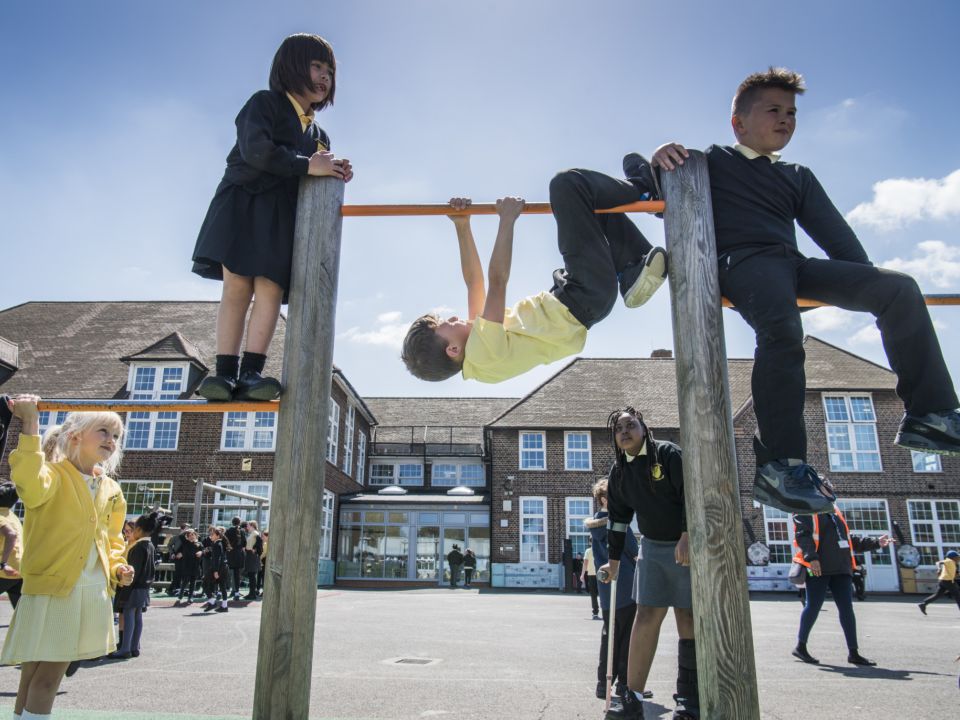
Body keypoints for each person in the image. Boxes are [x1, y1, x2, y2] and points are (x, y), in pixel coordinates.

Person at [651, 67, 960, 516]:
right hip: (742, 263)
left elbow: (843, 246)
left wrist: (863, 285)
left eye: (792, 112)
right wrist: (657, 154)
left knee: (898, 288)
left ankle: (930, 414)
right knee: (782, 330)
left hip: (791, 266)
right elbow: (639, 175)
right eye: (773, 110)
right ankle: (781, 465)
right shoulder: (708, 160)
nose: (786, 120)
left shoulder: (797, 175)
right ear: (738, 122)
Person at [192, 33, 353, 402]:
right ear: (291, 67)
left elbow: (314, 174)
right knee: (236, 286)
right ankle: (223, 374)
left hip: (282, 218)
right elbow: (256, 151)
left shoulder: (319, 134)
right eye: (316, 66)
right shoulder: (263, 104)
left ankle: (251, 373)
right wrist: (307, 165)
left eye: (329, 71)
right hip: (245, 205)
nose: (324, 76)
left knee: (270, 289)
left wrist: (334, 171)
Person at [401, 175, 667, 385]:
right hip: (581, 298)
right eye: (444, 326)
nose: (449, 318)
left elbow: (475, 283)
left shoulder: (477, 354)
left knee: (589, 204)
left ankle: (634, 266)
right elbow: (497, 282)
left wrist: (462, 225)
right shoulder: (484, 354)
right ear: (453, 350)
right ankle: (645, 188)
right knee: (566, 185)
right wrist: (507, 220)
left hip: (581, 300)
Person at [1, 395, 134, 719]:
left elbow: (112, 537)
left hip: (89, 591)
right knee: (43, 679)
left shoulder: (110, 489)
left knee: (35, 677)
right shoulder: (53, 475)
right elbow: (29, 483)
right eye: (103, 431)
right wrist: (30, 424)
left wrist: (118, 566)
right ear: (76, 435)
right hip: (55, 590)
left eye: (115, 436)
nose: (111, 440)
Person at [598, 406, 698, 720]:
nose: (624, 432)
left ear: (644, 429)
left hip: (684, 546)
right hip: (652, 548)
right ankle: (631, 696)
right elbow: (617, 521)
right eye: (618, 429)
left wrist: (687, 535)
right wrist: (613, 562)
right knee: (646, 616)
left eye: (631, 425)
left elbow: (690, 496)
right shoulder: (619, 472)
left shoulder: (668, 455)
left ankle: (690, 698)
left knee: (687, 618)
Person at [791, 480, 893, 666]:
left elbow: (847, 538)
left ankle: (853, 652)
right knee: (813, 606)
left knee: (847, 609)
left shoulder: (834, 512)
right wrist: (812, 557)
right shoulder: (805, 509)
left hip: (841, 568)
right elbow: (803, 536)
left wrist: (875, 542)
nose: (831, 489)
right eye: (827, 486)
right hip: (818, 567)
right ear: (816, 488)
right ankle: (801, 646)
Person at [585, 478, 638, 707]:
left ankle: (602, 683)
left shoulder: (595, 526)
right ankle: (625, 683)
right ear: (605, 499)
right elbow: (633, 551)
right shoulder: (617, 523)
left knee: (610, 634)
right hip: (625, 583)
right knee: (627, 636)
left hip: (607, 588)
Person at [110, 512, 158, 659]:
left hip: (134, 587)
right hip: (144, 587)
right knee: (138, 617)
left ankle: (125, 648)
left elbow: (133, 571)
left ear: (138, 530)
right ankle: (135, 646)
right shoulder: (150, 545)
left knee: (129, 615)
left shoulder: (137, 547)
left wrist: (124, 584)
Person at [0, 480, 23, 608]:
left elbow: (11, 535)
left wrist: (3, 563)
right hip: (19, 570)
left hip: (4, 571)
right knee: (21, 612)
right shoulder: (12, 517)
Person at [918, 550, 960, 615]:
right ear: (953, 557)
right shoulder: (949, 561)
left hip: (943, 581)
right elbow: (938, 563)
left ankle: (923, 604)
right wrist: (939, 569)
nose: (958, 559)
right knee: (958, 596)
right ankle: (923, 604)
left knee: (937, 595)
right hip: (948, 581)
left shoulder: (953, 563)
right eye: (957, 557)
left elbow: (954, 574)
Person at [201, 526, 230, 612]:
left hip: (218, 568)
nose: (211, 536)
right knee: (222, 586)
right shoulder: (220, 543)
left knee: (204, 583)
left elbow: (217, 559)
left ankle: (212, 602)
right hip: (223, 567)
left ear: (217, 536)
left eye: (212, 534)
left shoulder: (217, 544)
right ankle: (224, 606)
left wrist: (216, 571)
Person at [175, 528, 203, 605]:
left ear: (195, 535)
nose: (191, 536)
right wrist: (188, 530)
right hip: (186, 565)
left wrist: (201, 552)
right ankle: (180, 596)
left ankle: (190, 597)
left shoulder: (199, 544)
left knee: (193, 582)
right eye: (189, 535)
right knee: (185, 581)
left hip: (195, 565)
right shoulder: (185, 543)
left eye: (193, 535)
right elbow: (181, 536)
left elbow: (203, 552)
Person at [224, 517, 246, 600]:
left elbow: (225, 542)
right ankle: (236, 592)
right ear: (239, 523)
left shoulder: (228, 531)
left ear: (232, 522)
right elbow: (244, 544)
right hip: (239, 555)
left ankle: (222, 591)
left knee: (227, 573)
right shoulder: (242, 531)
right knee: (237, 575)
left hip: (230, 554)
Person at [243, 520, 264, 600]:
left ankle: (252, 594)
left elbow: (259, 543)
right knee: (251, 575)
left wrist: (255, 549)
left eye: (248, 525)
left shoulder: (255, 533)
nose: (247, 527)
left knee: (252, 575)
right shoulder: (253, 533)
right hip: (250, 555)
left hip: (252, 556)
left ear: (252, 526)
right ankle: (251, 593)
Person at [582, 545, 600, 619]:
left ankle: (595, 613)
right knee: (604, 594)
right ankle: (608, 611)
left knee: (593, 595)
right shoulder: (602, 549)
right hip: (601, 574)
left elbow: (585, 563)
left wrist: (582, 574)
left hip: (591, 574)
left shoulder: (588, 551)